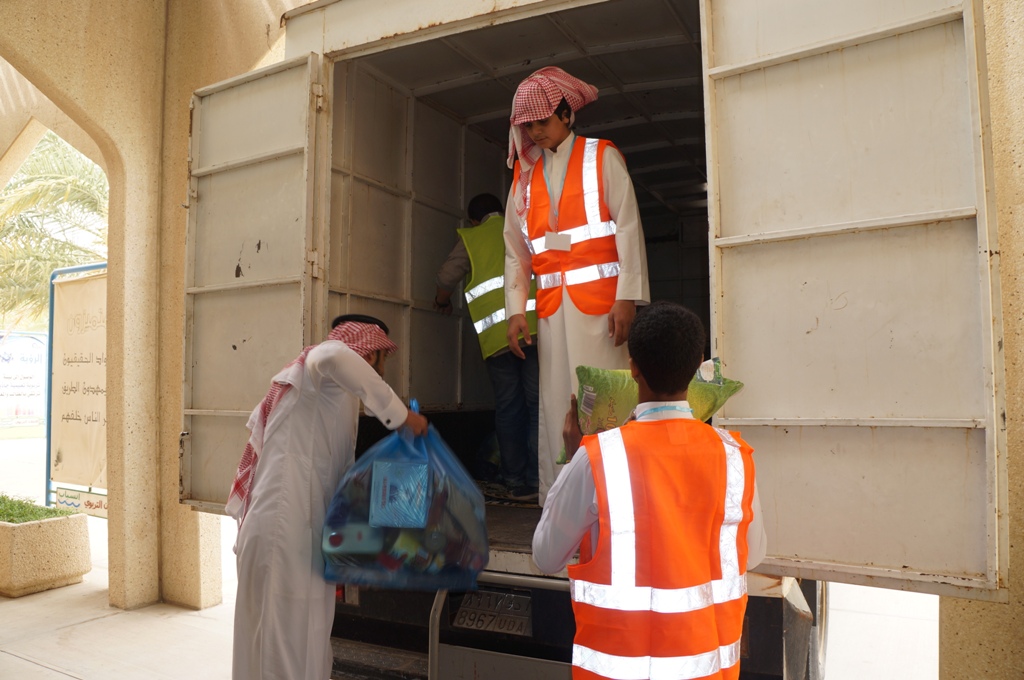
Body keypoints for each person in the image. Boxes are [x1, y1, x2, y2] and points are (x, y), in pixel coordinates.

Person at [533, 302, 766, 680]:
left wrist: (575, 458)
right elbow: (752, 556)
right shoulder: (735, 457)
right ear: (698, 365)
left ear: (632, 367)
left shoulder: (598, 458)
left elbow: (546, 557)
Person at [226, 314, 428, 680]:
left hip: (291, 535)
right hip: (284, 536)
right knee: (285, 654)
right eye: (381, 360)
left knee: (296, 648)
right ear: (370, 354)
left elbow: (335, 477)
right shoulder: (320, 364)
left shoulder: (328, 396)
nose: (381, 371)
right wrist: (401, 417)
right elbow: (333, 355)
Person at [503, 66, 650, 505]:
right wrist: (515, 311)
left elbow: (628, 227)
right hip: (551, 311)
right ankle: (562, 503)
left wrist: (628, 297)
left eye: (542, 122)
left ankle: (615, 499)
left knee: (606, 400)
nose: (535, 131)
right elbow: (517, 251)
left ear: (567, 114)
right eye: (528, 124)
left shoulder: (601, 156)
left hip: (603, 310)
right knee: (555, 406)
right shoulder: (523, 178)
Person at [434, 193, 540, 500]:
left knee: (509, 408)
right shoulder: (524, 227)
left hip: (497, 340)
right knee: (537, 407)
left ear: (473, 220)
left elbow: (445, 277)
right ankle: (538, 481)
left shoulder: (472, 238)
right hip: (534, 331)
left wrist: (441, 301)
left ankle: (514, 481)